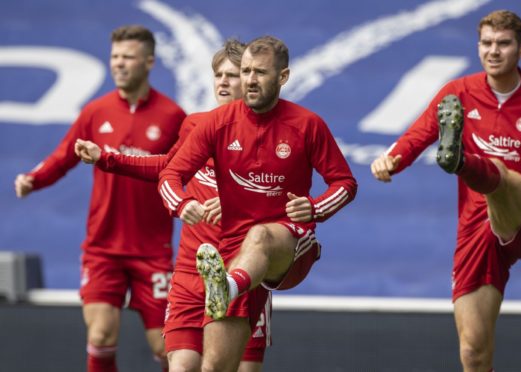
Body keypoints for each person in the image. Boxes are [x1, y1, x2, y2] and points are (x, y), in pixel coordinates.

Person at [371, 10, 521, 372]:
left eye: (503, 44)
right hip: (477, 229)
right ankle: (462, 160)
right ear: (478, 47)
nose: (494, 51)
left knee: (503, 176)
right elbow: (418, 134)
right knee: (473, 352)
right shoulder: (457, 93)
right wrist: (392, 160)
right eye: (486, 43)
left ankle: (460, 161)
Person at [158, 35, 358, 371]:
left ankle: (228, 286)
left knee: (261, 236)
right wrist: (181, 205)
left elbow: (345, 183)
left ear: (283, 77)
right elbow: (169, 175)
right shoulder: (217, 123)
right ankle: (229, 286)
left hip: (290, 244)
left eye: (260, 73)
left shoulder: (307, 125)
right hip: (233, 259)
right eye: (246, 71)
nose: (250, 79)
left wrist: (315, 208)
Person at [75, 39, 270, 372]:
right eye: (218, 74)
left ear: (252, 80)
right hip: (191, 273)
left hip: (242, 274)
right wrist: (107, 158)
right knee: (180, 366)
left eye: (232, 75)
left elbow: (284, 199)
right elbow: (168, 166)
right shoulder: (197, 124)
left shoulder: (273, 137)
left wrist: (242, 203)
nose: (222, 82)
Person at [14, 25, 185, 372]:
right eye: (115, 57)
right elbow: (64, 155)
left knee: (167, 349)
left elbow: (188, 168)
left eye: (128, 57)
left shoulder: (172, 116)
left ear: (149, 62)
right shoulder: (96, 111)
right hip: (102, 248)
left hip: (152, 251)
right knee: (102, 333)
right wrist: (35, 179)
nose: (119, 64)